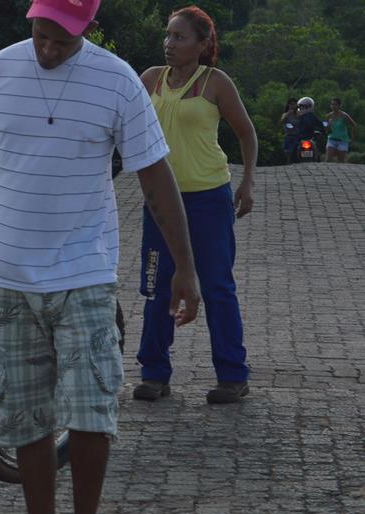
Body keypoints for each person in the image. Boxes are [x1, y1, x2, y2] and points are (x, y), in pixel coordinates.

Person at [0, 0, 200, 514]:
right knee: (24, 419)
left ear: (86, 29)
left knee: (90, 412)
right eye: (40, 35)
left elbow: (155, 177)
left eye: (62, 40)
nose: (48, 48)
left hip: (84, 275)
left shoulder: (118, 81)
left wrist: (186, 268)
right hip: (10, 280)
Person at [134, 5, 257, 404]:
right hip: (159, 203)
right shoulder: (150, 79)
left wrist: (248, 181)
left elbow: (246, 133)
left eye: (179, 38)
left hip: (208, 198)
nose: (169, 44)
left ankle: (232, 376)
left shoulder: (216, 82)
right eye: (168, 36)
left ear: (203, 45)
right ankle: (154, 373)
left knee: (217, 286)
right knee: (157, 287)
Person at [325, 97, 357, 163]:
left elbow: (353, 125)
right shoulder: (328, 116)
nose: (333, 106)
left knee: (341, 161)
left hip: (342, 140)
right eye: (332, 104)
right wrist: (328, 125)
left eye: (335, 104)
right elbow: (327, 131)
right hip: (332, 139)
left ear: (339, 105)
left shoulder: (344, 115)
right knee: (328, 159)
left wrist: (353, 139)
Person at [280, 97, 299, 165]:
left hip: (298, 135)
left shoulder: (298, 114)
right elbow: (281, 121)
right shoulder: (285, 114)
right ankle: (288, 162)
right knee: (287, 151)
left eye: (294, 104)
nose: (293, 106)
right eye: (291, 104)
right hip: (288, 135)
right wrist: (288, 113)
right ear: (288, 105)